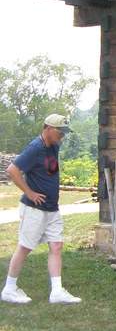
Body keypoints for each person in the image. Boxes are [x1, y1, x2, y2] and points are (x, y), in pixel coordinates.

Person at [2, 113, 81, 304]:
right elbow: (12, 170)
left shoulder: (54, 146)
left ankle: (57, 292)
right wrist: (29, 193)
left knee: (57, 245)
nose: (62, 135)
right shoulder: (35, 148)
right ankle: (9, 289)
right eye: (60, 131)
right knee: (26, 246)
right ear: (48, 129)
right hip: (34, 209)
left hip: (52, 208)